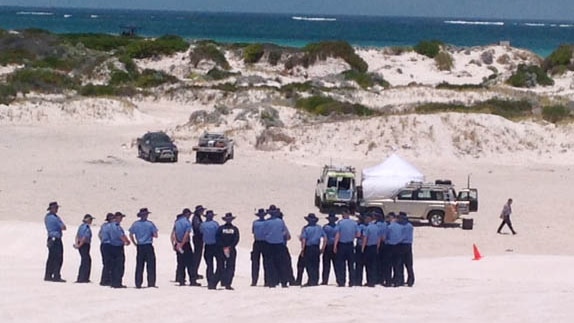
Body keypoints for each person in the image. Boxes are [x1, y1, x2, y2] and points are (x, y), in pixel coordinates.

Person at [129, 208, 159, 289]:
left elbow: (131, 234)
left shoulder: (135, 224)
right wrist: (150, 235)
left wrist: (135, 243)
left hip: (140, 246)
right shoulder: (150, 224)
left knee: (139, 265)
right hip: (148, 245)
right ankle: (151, 282)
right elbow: (156, 235)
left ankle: (138, 283)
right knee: (151, 265)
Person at [263, 206, 292, 288]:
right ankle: (284, 282)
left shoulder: (266, 222)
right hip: (279, 244)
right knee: (281, 264)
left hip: (269, 244)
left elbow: (264, 233)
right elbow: (285, 233)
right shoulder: (280, 222)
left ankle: (272, 282)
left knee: (271, 264)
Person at [172, 208, 198, 286]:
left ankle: (181, 280)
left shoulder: (177, 222)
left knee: (180, 263)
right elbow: (186, 234)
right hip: (185, 244)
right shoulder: (187, 222)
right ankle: (192, 280)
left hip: (178, 243)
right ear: (186, 214)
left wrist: (176, 243)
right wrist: (182, 243)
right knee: (190, 263)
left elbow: (174, 234)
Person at [334, 209, 359, 287]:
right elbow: (358, 234)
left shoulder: (340, 223)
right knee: (351, 264)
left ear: (344, 214)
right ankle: (352, 281)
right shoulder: (354, 223)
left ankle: (342, 281)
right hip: (350, 244)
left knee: (341, 264)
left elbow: (337, 235)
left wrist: (335, 245)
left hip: (342, 244)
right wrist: (351, 236)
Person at [300, 213, 326, 287]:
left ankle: (311, 280)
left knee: (309, 265)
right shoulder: (319, 228)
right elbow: (325, 238)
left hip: (309, 248)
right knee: (316, 264)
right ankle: (315, 280)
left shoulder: (306, 228)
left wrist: (302, 249)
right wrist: (323, 248)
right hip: (316, 247)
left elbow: (304, 240)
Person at [106, 212, 130, 288]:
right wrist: (126, 241)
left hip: (111, 246)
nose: (121, 219)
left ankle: (113, 282)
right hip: (118, 247)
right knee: (119, 266)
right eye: (121, 217)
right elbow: (121, 235)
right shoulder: (117, 226)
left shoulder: (109, 226)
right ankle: (117, 282)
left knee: (113, 265)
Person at [44, 201, 67, 282]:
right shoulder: (54, 218)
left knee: (51, 257)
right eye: (56, 208)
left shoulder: (47, 217)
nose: (57, 209)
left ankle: (48, 275)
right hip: (55, 238)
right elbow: (63, 227)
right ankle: (56, 275)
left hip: (50, 238)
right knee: (58, 257)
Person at [217, 212, 240, 290]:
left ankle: (221, 282)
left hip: (222, 249)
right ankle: (227, 283)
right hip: (230, 249)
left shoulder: (220, 228)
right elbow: (236, 239)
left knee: (221, 266)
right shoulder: (234, 229)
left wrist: (223, 246)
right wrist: (229, 247)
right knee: (229, 267)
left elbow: (218, 238)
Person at [200, 210, 221, 290]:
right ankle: (214, 280)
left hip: (208, 246)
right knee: (217, 264)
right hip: (215, 246)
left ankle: (210, 281)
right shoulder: (215, 224)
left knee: (209, 265)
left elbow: (201, 233)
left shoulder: (202, 225)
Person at [361, 213, 381, 287]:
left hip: (368, 247)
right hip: (374, 247)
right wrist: (377, 247)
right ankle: (373, 280)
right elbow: (379, 238)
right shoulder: (377, 227)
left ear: (368, 220)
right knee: (374, 265)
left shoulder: (367, 228)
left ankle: (369, 281)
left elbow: (365, 239)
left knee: (368, 265)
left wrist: (362, 248)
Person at [74, 214, 94, 283]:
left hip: (81, 244)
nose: (91, 221)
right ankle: (83, 278)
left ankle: (82, 277)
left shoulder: (81, 226)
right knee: (86, 261)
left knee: (85, 260)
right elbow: (84, 237)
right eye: (90, 219)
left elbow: (77, 236)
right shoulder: (86, 227)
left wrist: (77, 244)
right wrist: (80, 245)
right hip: (84, 244)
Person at [385, 213, 404, 287]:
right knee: (397, 265)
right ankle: (397, 281)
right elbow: (402, 237)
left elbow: (386, 237)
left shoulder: (389, 227)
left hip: (390, 246)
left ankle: (388, 281)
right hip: (399, 246)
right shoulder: (401, 227)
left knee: (389, 265)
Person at [251, 208, 268, 286]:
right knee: (255, 262)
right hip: (258, 242)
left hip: (263, 242)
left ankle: (266, 280)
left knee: (265, 262)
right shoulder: (257, 222)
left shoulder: (256, 222)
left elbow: (253, 232)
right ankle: (254, 280)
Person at [321, 211, 338, 285]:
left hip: (328, 246)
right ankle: (339, 280)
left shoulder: (325, 227)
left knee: (326, 265)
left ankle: (325, 281)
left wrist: (322, 248)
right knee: (336, 265)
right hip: (336, 246)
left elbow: (325, 239)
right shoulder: (338, 227)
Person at [398, 212, 415, 287]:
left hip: (402, 244)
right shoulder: (410, 225)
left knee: (400, 263)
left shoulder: (402, 226)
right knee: (409, 264)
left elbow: (401, 237)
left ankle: (401, 280)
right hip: (409, 245)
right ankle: (411, 280)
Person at [98, 212, 114, 286]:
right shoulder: (111, 226)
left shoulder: (103, 226)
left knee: (105, 263)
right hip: (109, 245)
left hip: (103, 244)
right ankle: (106, 280)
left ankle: (104, 279)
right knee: (109, 263)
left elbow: (99, 235)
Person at [191, 205, 206, 280]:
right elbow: (197, 228)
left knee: (198, 255)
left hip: (198, 238)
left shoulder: (197, 218)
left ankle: (195, 272)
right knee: (197, 256)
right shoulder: (196, 218)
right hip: (197, 238)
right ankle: (194, 273)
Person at [354, 214, 367, 286]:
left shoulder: (360, 226)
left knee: (359, 265)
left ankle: (358, 281)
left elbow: (358, 235)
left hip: (360, 245)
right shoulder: (366, 226)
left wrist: (354, 235)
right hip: (367, 246)